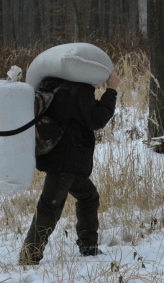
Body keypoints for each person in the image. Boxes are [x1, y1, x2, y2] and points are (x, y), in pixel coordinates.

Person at [19, 72, 121, 265]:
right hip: (66, 160)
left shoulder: (55, 84)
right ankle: (29, 256)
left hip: (60, 156)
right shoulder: (77, 89)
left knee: (89, 196)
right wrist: (112, 90)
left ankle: (88, 246)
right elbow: (97, 119)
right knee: (50, 207)